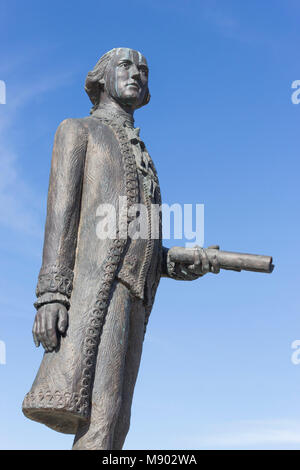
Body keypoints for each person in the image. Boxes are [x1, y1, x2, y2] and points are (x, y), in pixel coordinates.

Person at [22, 47, 220, 450]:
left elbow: (142, 241)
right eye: (125, 66)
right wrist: (51, 296)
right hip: (99, 290)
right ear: (101, 78)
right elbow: (60, 219)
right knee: (100, 414)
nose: (137, 73)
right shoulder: (78, 131)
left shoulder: (144, 157)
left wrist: (177, 262)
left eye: (144, 69)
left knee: (117, 421)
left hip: (135, 293)